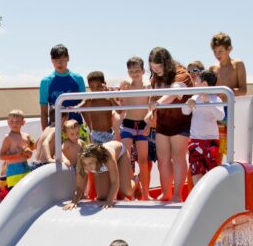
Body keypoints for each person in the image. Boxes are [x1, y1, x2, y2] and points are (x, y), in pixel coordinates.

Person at [145, 47, 193, 203]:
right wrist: (150, 111)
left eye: (159, 68)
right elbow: (152, 98)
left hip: (181, 122)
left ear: (166, 63)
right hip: (163, 123)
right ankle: (166, 193)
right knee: (162, 158)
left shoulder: (182, 75)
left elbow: (172, 94)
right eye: (153, 69)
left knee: (178, 156)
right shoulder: (155, 78)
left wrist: (157, 103)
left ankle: (177, 195)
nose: (156, 72)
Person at [181, 70, 225, 185]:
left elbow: (220, 116)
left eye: (197, 81)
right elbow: (184, 112)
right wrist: (188, 105)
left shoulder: (216, 99)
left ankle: (212, 197)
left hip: (211, 141)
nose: (195, 84)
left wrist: (208, 103)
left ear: (204, 84)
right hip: (195, 140)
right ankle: (198, 193)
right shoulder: (194, 97)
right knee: (196, 171)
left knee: (212, 172)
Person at [209, 33, 247, 160]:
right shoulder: (212, 69)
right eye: (215, 51)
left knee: (231, 146)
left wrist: (225, 92)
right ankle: (217, 173)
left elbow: (243, 90)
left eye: (220, 51)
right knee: (216, 146)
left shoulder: (238, 65)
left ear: (229, 49)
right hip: (216, 111)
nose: (217, 54)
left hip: (232, 111)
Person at [118, 57, 152, 200]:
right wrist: (121, 90)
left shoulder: (148, 86)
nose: (134, 73)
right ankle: (129, 192)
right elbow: (121, 106)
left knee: (143, 162)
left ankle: (145, 194)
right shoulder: (126, 85)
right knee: (126, 160)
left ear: (143, 71)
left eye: (137, 70)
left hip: (142, 125)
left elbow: (151, 108)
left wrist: (149, 125)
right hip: (128, 124)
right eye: (131, 71)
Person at [62, 141, 131, 210]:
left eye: (90, 163)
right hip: (103, 165)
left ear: (97, 160)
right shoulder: (81, 164)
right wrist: (74, 202)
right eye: (85, 164)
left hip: (121, 154)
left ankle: (135, 181)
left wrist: (109, 201)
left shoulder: (107, 157)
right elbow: (79, 188)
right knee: (102, 197)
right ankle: (117, 186)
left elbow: (115, 182)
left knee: (127, 191)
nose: (88, 167)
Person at [39, 44, 85, 130]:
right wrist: (45, 133)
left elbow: (84, 105)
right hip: (55, 128)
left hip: (76, 128)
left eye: (62, 59)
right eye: (56, 59)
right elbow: (44, 112)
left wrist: (90, 129)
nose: (59, 62)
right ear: (52, 60)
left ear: (68, 58)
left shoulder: (78, 79)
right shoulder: (45, 82)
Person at [0, 109, 36, 198]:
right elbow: (1, 156)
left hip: (26, 169)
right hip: (13, 172)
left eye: (17, 122)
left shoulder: (26, 136)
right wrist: (18, 154)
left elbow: (30, 152)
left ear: (23, 122)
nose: (14, 124)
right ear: (8, 122)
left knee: (28, 195)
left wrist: (29, 153)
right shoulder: (8, 137)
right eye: (11, 121)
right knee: (16, 197)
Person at [78, 71, 120, 145]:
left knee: (110, 155)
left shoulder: (108, 98)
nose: (95, 89)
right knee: (97, 156)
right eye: (92, 87)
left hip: (110, 133)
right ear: (89, 87)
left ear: (104, 84)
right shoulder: (90, 99)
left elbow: (120, 111)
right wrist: (74, 108)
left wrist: (110, 96)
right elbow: (80, 107)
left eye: (98, 86)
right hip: (96, 134)